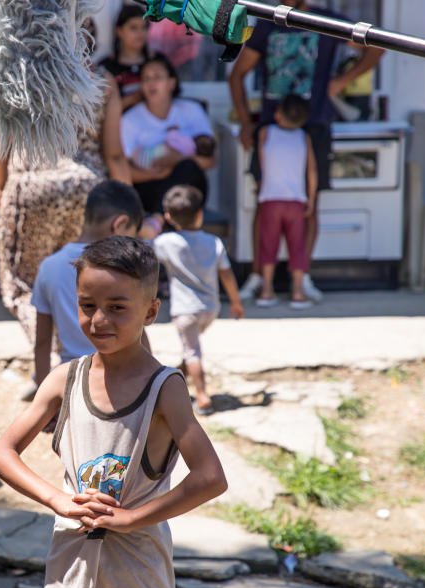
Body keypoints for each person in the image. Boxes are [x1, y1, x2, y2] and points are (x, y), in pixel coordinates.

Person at [0, 235, 227, 588]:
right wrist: (57, 500)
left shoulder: (164, 388)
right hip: (68, 586)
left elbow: (210, 477)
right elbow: (1, 453)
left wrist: (132, 518)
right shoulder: (64, 379)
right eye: (87, 306)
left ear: (151, 312)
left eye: (117, 308)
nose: (99, 320)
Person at [0, 17, 132, 362]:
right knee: (83, 281)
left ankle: (55, 359)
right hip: (88, 190)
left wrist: (1, 188)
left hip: (33, 184)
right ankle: (82, 359)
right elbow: (113, 152)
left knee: (22, 288)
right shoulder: (102, 81)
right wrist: (130, 210)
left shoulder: (17, 74)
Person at [228, 0, 384, 303]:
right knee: (265, 200)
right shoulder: (267, 23)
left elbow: (377, 45)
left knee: (311, 202)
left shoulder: (328, 22)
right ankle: (260, 277)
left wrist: (341, 81)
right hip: (272, 126)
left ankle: (304, 277)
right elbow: (236, 75)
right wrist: (246, 122)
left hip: (314, 126)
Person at [32, 180, 144, 387]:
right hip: (122, 380)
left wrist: (43, 394)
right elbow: (138, 333)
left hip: (71, 380)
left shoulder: (49, 266)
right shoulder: (124, 268)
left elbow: (42, 343)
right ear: (119, 225)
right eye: (132, 235)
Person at [154, 185, 244, 416]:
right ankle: (180, 373)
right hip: (210, 309)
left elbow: (148, 253)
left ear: (168, 217)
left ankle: (202, 396)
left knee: (193, 351)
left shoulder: (165, 242)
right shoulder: (214, 242)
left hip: (185, 310)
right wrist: (236, 301)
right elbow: (226, 274)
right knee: (190, 347)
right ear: (200, 213)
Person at [121, 53, 215, 216]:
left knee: (188, 168)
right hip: (149, 185)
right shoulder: (129, 119)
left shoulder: (192, 110)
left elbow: (210, 161)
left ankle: (157, 220)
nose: (151, 83)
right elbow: (124, 170)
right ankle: (159, 218)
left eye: (157, 77)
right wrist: (157, 173)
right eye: (146, 78)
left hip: (186, 189)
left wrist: (175, 161)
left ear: (172, 83)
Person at [253, 94, 317, 310]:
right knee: (297, 247)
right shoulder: (303, 136)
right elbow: (312, 171)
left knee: (268, 245)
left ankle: (266, 291)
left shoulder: (265, 132)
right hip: (296, 200)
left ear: (278, 114)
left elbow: (262, 164)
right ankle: (298, 292)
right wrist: (311, 198)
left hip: (271, 199)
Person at [100, 4, 149, 112]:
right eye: (133, 28)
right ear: (119, 31)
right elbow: (99, 111)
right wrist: (130, 100)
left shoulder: (157, 62)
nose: (140, 33)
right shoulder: (105, 68)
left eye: (144, 27)